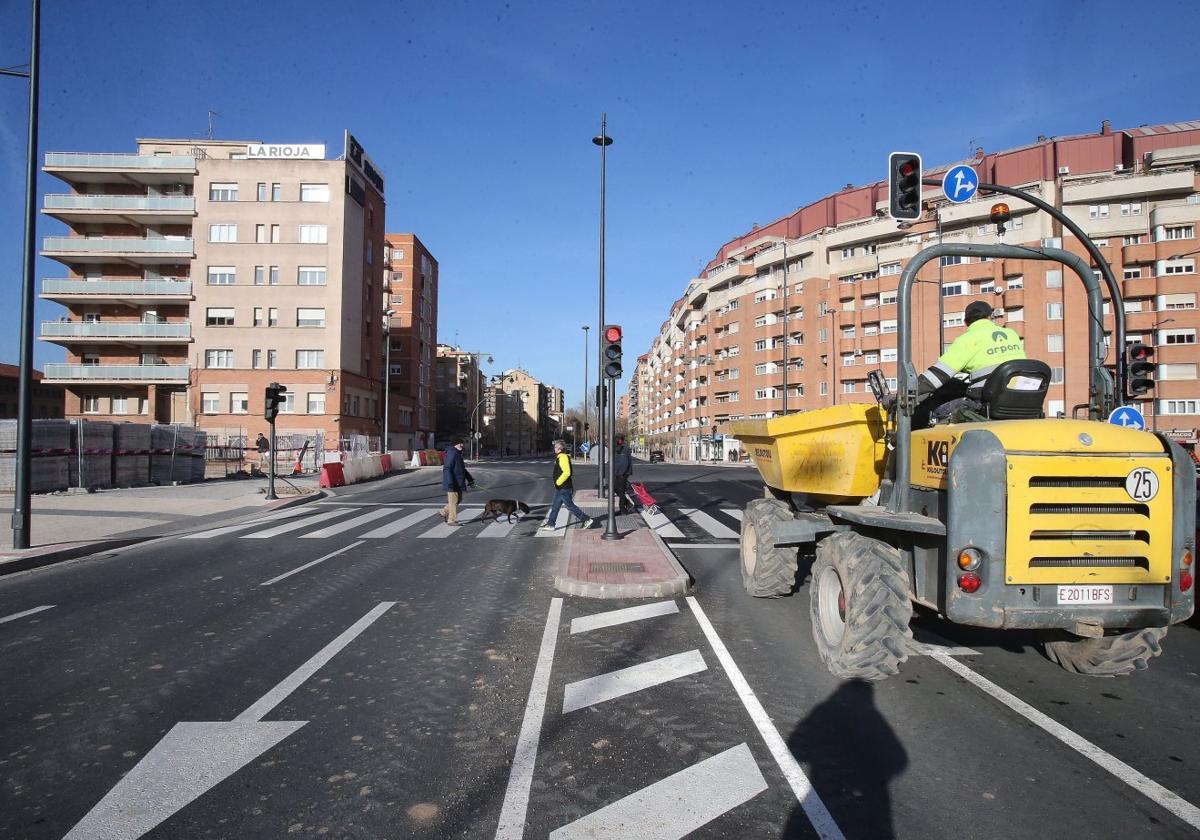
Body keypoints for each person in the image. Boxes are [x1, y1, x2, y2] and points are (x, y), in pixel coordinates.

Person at [911, 300, 1026, 429]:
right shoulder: (1011, 334)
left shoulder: (968, 339)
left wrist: (905, 393)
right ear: (990, 317)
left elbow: (937, 376)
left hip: (986, 404)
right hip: (1022, 399)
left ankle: (905, 443)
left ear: (966, 322)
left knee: (932, 406)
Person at [541, 439, 592, 531]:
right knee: (555, 506)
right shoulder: (560, 457)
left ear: (560, 449)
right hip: (560, 488)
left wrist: (558, 482)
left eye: (556, 447)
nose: (554, 449)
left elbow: (567, 472)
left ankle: (586, 519)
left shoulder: (563, 457)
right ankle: (551, 524)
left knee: (570, 506)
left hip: (564, 488)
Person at [439, 438, 475, 525]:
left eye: (462, 443)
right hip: (453, 482)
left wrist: (470, 479)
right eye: (460, 443)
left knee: (458, 499)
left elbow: (462, 469)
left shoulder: (457, 453)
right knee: (454, 501)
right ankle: (451, 520)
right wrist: (450, 482)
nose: (462, 445)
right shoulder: (452, 453)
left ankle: (443, 512)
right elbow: (447, 468)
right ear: (455, 444)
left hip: (458, 482)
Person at [612, 434, 635, 514]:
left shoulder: (624, 448)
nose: (615, 441)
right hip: (618, 473)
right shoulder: (618, 447)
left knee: (621, 491)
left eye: (616, 440)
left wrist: (621, 473)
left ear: (620, 440)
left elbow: (624, 462)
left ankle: (622, 509)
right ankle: (628, 503)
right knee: (615, 488)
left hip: (623, 473)